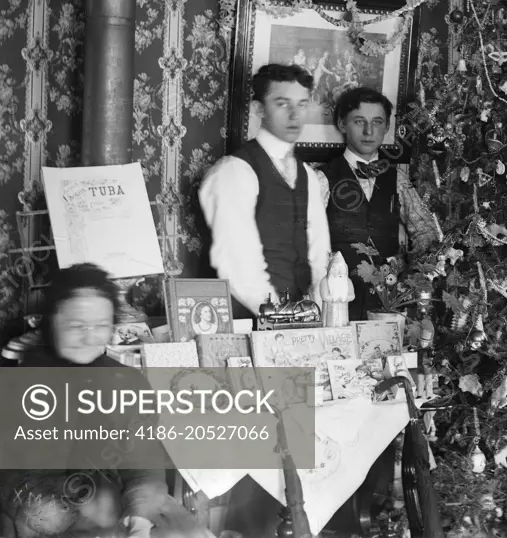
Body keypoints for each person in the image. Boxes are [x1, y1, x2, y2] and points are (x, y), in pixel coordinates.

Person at [0, 263, 213, 538]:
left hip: (118, 500)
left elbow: (144, 462)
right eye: (77, 325)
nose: (89, 337)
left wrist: (139, 515)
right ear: (52, 320)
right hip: (44, 510)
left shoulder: (126, 381)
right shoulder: (21, 384)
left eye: (100, 325)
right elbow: (22, 483)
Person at [199, 63, 332, 318]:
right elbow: (237, 264)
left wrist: (315, 314)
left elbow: (319, 254)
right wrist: (279, 317)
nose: (295, 115)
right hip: (248, 321)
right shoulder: (234, 172)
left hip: (302, 321)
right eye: (282, 104)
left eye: (302, 105)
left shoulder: (309, 176)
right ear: (259, 109)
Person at [317, 86, 439, 320]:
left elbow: (426, 231)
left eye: (377, 122)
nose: (368, 131)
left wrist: (411, 269)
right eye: (359, 121)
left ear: (386, 128)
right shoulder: (323, 178)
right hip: (336, 299)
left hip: (387, 302)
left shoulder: (398, 180)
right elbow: (306, 238)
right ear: (342, 125)